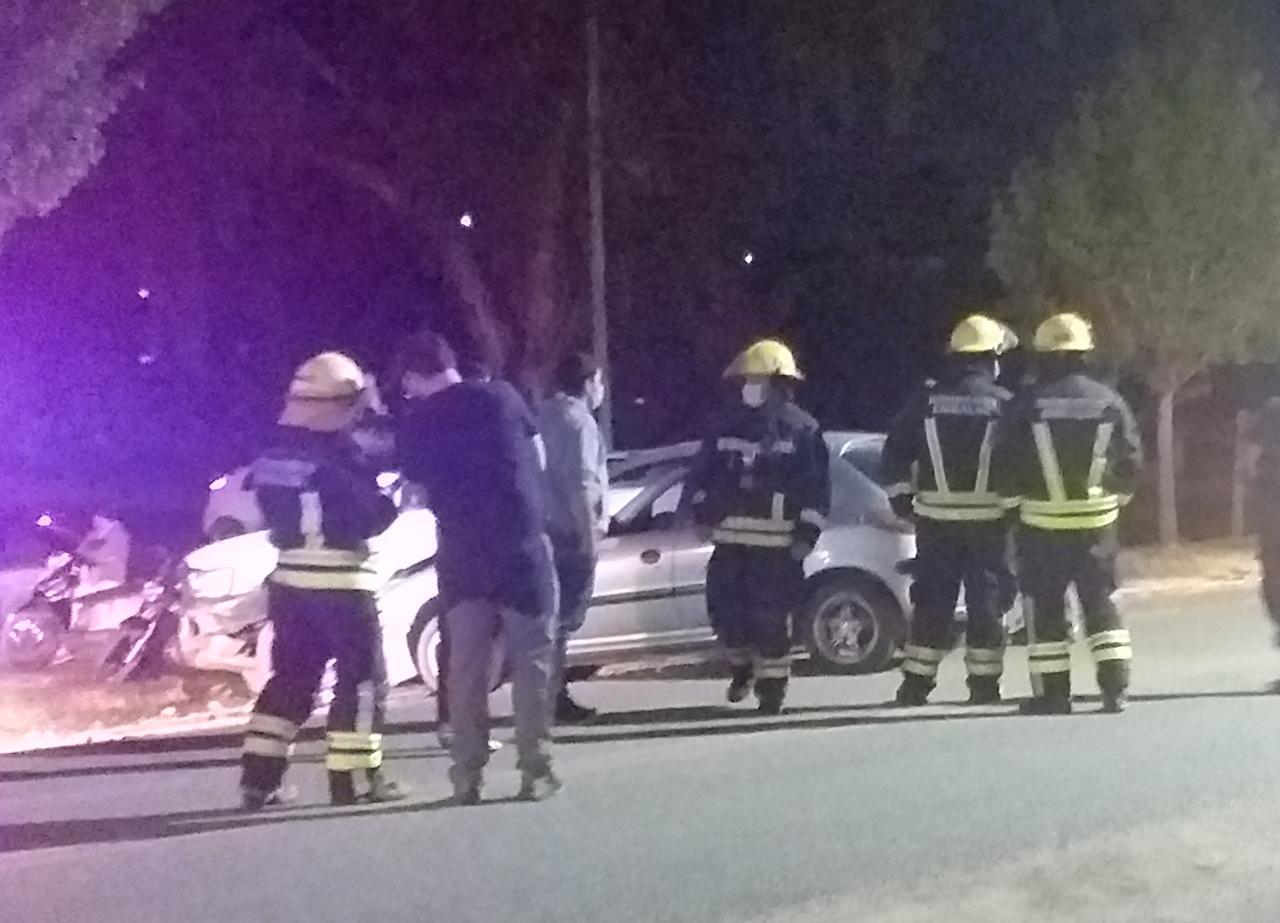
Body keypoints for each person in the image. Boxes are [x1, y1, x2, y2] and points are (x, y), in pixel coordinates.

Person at [397, 331, 560, 804]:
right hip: (522, 548)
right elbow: (540, 457)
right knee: (532, 660)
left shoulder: (418, 421)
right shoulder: (503, 396)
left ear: (413, 377)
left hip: (463, 555)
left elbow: (416, 492)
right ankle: (536, 771)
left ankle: (467, 776)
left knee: (466, 668)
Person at [239, 351, 405, 809]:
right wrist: (390, 492)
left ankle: (258, 780)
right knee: (362, 680)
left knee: (290, 680)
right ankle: (354, 781)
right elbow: (368, 516)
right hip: (342, 584)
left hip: (290, 584)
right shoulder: (341, 458)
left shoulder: (272, 456)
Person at [994, 312, 1143, 715]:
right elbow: (1130, 461)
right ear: (1083, 354)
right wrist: (1116, 501)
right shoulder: (1109, 401)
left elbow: (1005, 464)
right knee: (1100, 603)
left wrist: (1011, 514)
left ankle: (1054, 695)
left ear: (1043, 355)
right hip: (1097, 526)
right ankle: (1116, 689)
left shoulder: (1026, 404)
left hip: (1041, 528)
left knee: (1045, 611)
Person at [884, 314, 1018, 706]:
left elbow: (894, 453)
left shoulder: (924, 402)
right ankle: (984, 686)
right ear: (990, 358)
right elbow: (1019, 461)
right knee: (987, 607)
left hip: (936, 525)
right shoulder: (1004, 405)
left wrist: (902, 500)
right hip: (990, 525)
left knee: (932, 606)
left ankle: (915, 687)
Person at [690, 338, 830, 715]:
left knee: (771, 623)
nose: (749, 387)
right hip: (729, 545)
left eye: (757, 379)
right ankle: (741, 669)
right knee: (725, 616)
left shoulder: (802, 430)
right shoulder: (724, 423)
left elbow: (816, 491)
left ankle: (772, 692)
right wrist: (699, 515)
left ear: (778, 382)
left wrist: (806, 536)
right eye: (746, 380)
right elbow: (701, 474)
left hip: (778, 548)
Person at [538, 352, 609, 724]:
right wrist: (589, 537)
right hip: (570, 533)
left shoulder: (541, 414)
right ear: (586, 383)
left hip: (543, 531)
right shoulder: (579, 422)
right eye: (599, 382)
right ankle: (553, 700)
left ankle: (545, 696)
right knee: (563, 623)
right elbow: (581, 483)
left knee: (549, 621)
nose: (601, 390)